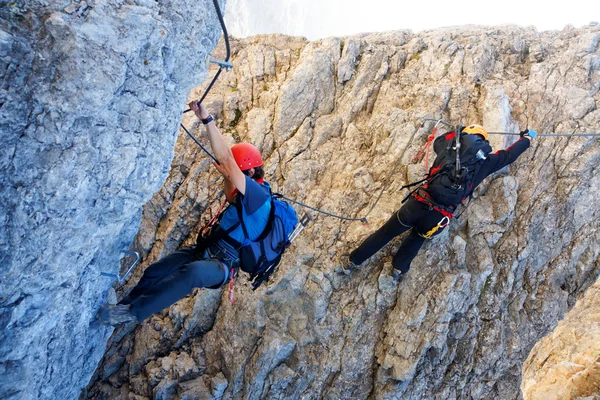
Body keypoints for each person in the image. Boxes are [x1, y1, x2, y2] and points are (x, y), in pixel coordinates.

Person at [98, 102, 272, 325]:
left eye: (236, 172)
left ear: (248, 172)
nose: (231, 173)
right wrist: (228, 175)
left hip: (222, 265)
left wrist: (207, 119)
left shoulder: (259, 197)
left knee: (192, 273)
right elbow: (229, 181)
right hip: (204, 249)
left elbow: (227, 159)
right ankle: (122, 309)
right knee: (156, 271)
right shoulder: (244, 195)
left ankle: (131, 312)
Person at [338, 124, 536, 279]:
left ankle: (352, 262)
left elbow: (439, 139)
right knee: (417, 238)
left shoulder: (448, 147)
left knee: (386, 233)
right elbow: (509, 155)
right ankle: (397, 270)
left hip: (419, 202)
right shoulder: (486, 161)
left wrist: (459, 131)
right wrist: (527, 138)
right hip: (440, 215)